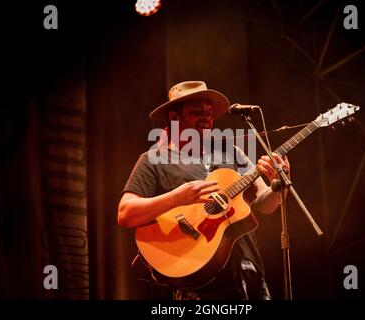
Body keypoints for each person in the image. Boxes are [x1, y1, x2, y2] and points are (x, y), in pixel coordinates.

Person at [117, 81, 290, 300]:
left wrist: (279, 184)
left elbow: (267, 205)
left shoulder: (231, 152)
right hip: (196, 278)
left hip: (248, 270)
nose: (206, 117)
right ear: (174, 117)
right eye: (196, 112)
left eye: (209, 112)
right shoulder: (154, 159)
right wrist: (177, 197)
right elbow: (125, 213)